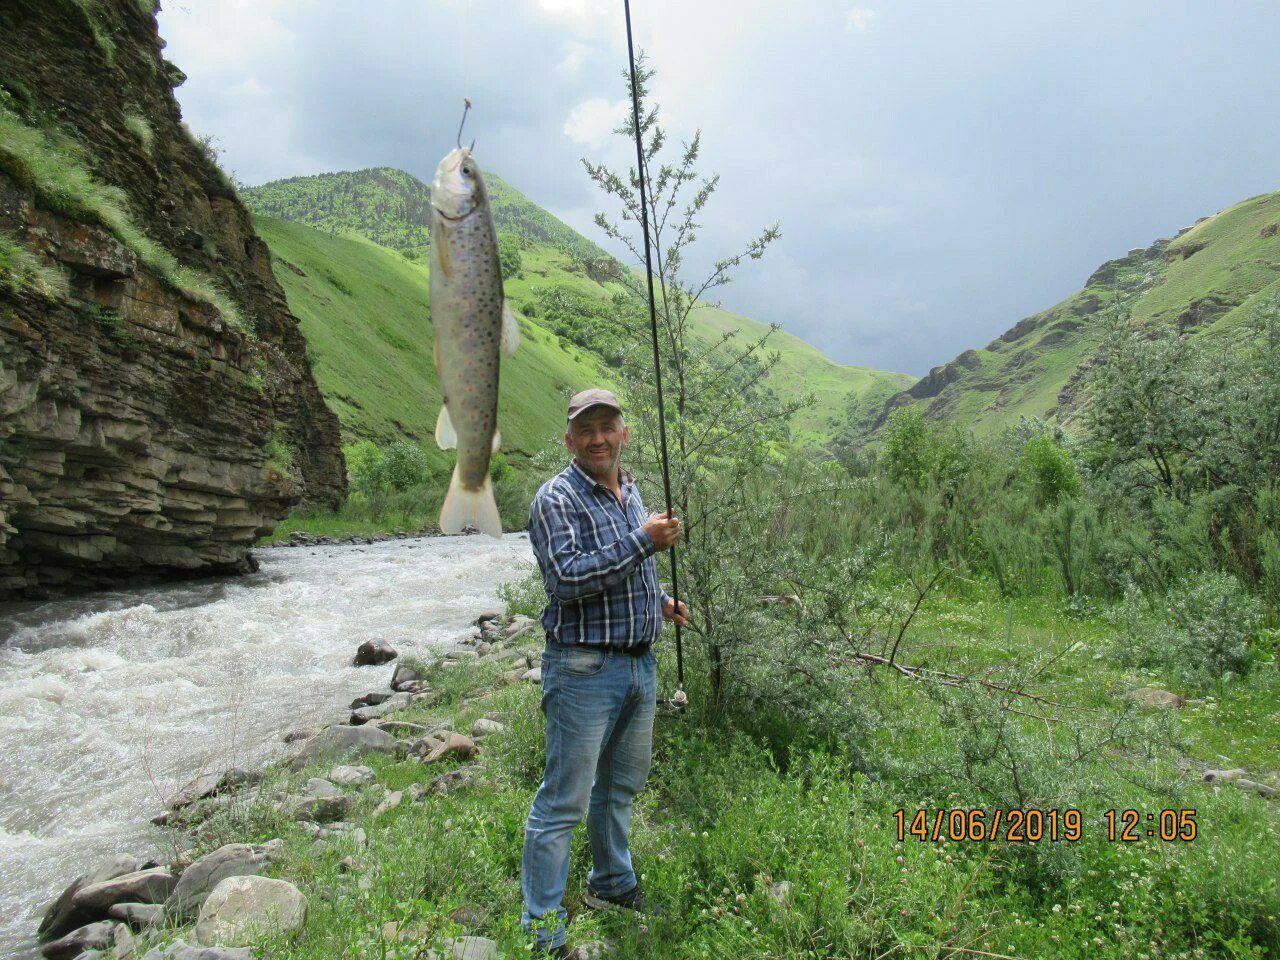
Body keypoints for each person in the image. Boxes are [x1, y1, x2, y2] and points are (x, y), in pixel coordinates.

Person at [520, 387, 689, 957]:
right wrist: (644, 542)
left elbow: (626, 572)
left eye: (606, 426)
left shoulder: (632, 492)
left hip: (640, 666)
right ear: (570, 440)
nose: (597, 438)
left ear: (623, 433)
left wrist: (660, 601)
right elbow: (568, 579)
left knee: (619, 788)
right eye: (585, 429)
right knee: (562, 802)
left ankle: (611, 885)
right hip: (583, 670)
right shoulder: (556, 499)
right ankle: (543, 932)